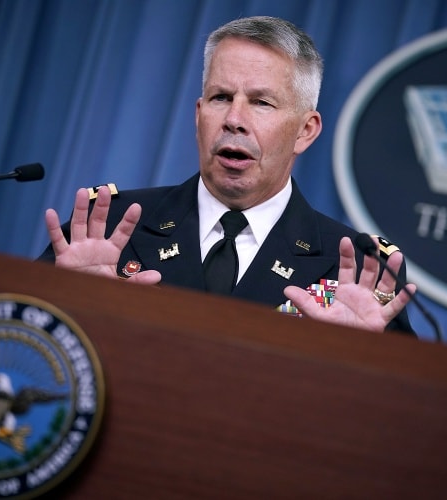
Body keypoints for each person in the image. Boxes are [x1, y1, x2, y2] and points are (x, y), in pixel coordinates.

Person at [39, 16, 415, 335]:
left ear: (305, 131)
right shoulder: (107, 226)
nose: (234, 120)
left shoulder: (356, 270)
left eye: (261, 103)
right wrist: (67, 303)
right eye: (220, 98)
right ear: (198, 114)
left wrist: (355, 353)